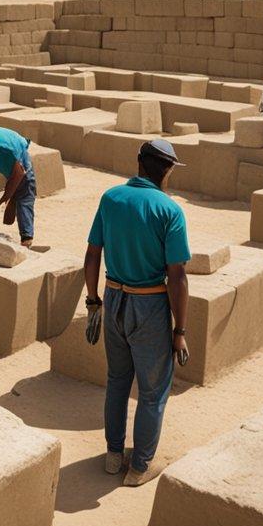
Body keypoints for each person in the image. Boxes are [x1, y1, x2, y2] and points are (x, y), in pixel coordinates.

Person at [83, 139, 190, 487]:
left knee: (116, 381)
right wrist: (180, 331)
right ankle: (140, 467)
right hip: (149, 305)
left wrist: (93, 300)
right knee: (152, 390)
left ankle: (114, 456)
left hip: (113, 298)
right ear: (169, 170)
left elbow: (92, 254)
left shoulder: (111, 198)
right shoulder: (169, 210)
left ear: (139, 163)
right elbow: (177, 276)